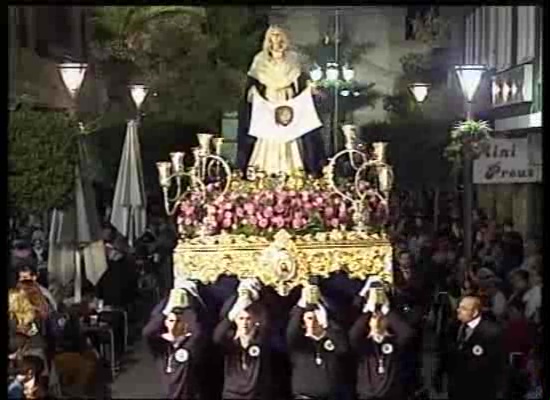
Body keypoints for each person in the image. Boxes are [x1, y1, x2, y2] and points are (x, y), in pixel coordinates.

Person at [237, 25, 325, 176]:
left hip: (287, 98)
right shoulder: (260, 59)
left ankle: (293, 170)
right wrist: (253, 93)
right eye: (273, 35)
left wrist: (310, 89)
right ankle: (264, 170)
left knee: (289, 132)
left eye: (279, 35)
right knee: (268, 134)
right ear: (268, 38)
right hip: (269, 99)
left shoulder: (293, 58)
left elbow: (301, 80)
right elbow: (252, 82)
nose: (276, 38)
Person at [349, 287, 414, 400]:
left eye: (382, 318)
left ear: (388, 321)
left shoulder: (395, 342)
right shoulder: (363, 343)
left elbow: (407, 333)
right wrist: (369, 310)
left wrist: (386, 309)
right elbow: (353, 335)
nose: (377, 322)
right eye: (374, 318)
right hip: (366, 396)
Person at [436, 295, 505, 400]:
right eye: (459, 307)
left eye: (464, 308)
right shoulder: (453, 326)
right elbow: (447, 352)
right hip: (455, 386)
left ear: (475, 312)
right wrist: (439, 374)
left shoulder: (491, 333)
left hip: (479, 388)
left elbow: (497, 363)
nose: (458, 310)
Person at [286, 284, 349, 400]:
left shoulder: (332, 339)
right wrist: (302, 304)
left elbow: (343, 347)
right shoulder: (299, 343)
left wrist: (326, 322)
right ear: (303, 323)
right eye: (309, 319)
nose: (313, 322)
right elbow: (291, 331)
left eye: (317, 318)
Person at [213, 284, 272, 400]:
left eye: (248, 319)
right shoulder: (229, 342)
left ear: (255, 320)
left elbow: (266, 321)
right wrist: (239, 301)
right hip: (232, 395)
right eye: (241, 318)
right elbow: (217, 337)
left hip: (256, 395)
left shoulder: (260, 340)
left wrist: (252, 295)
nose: (244, 323)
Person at [143, 295, 204, 400]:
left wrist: (187, 303)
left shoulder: (189, 342)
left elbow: (198, 332)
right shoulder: (161, 344)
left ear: (185, 323)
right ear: (166, 323)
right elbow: (147, 333)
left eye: (178, 321)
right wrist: (167, 309)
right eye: (171, 321)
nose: (174, 325)